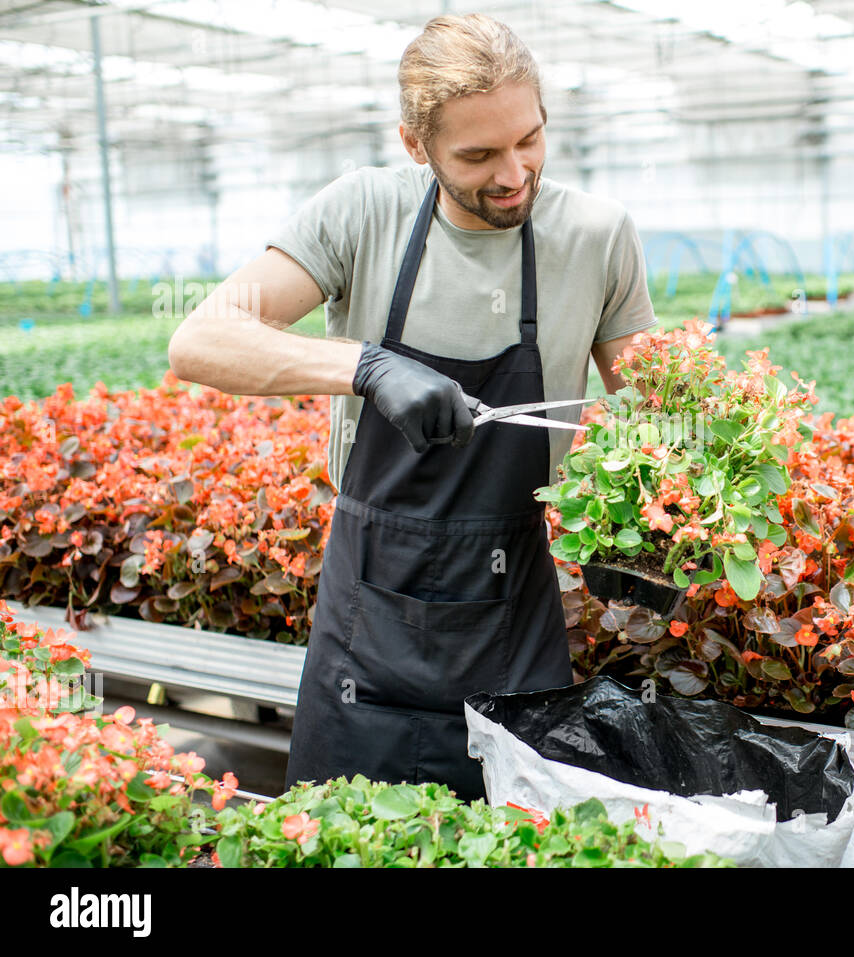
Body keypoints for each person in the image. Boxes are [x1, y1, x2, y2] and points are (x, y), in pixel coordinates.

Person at [168, 13, 658, 800]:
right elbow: (201, 340)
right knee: (342, 834)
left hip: (513, 608)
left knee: (518, 837)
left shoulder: (597, 236)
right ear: (414, 145)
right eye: (477, 155)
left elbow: (655, 408)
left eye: (529, 139)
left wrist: (662, 521)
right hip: (368, 612)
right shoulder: (362, 212)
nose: (514, 173)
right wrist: (365, 365)